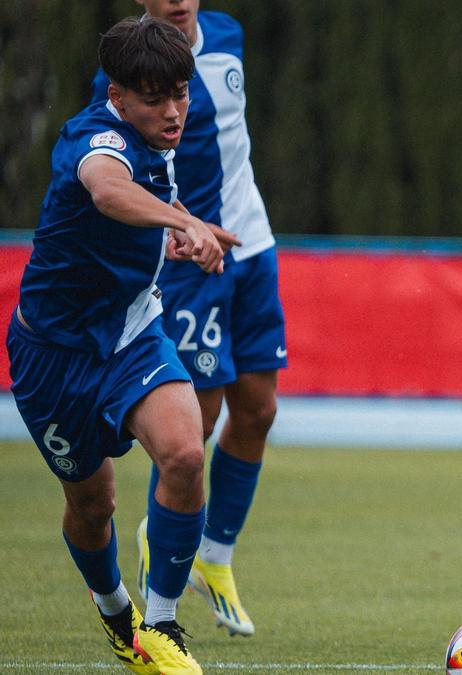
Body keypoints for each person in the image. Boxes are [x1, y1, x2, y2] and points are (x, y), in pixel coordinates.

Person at [6, 15, 241, 675]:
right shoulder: (96, 134)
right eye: (156, 98)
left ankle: (161, 625)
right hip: (52, 355)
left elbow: (126, 217)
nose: (174, 112)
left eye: (182, 95)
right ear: (118, 94)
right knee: (93, 504)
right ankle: (118, 618)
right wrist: (187, 220)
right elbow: (108, 191)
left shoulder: (153, 137)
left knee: (186, 452)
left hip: (134, 333)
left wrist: (175, 240)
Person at [91, 0, 287, 638]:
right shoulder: (122, 72)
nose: (177, 1)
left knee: (258, 409)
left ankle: (216, 558)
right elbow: (119, 171)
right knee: (191, 426)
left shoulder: (228, 34)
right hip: (189, 258)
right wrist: (179, 226)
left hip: (252, 246)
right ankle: (160, 555)